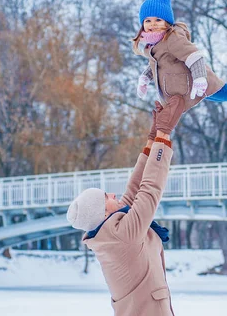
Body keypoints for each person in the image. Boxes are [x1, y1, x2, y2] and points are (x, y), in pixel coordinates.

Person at [66, 96, 185, 316]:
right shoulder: (122, 236)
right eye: (106, 196)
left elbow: (134, 189)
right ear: (103, 212)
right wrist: (165, 134)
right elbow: (149, 190)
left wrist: (153, 137)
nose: (113, 194)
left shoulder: (112, 232)